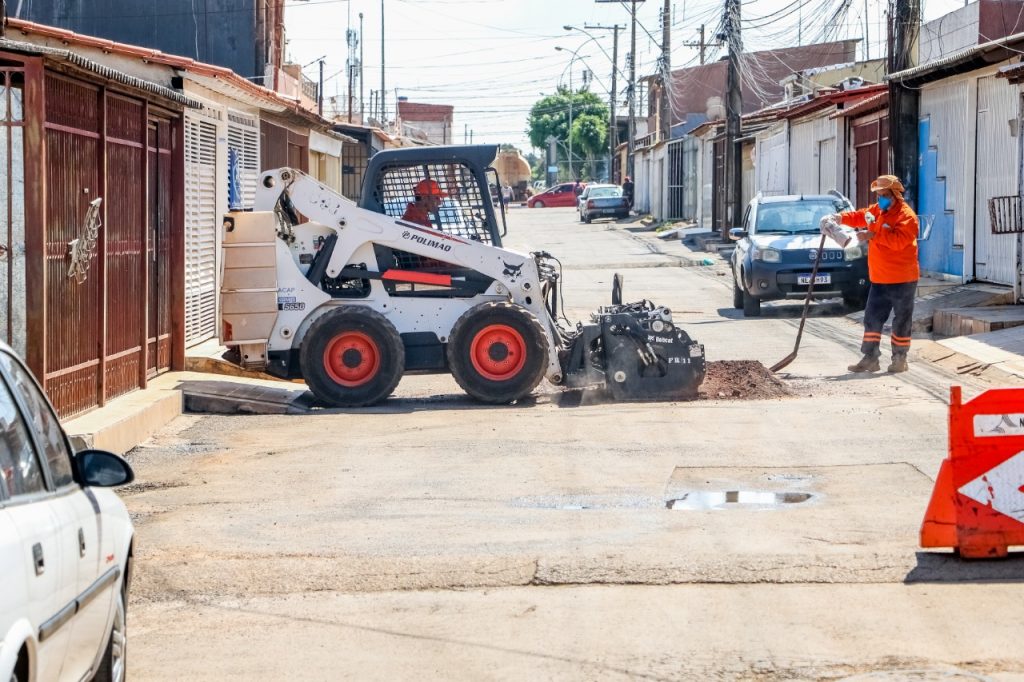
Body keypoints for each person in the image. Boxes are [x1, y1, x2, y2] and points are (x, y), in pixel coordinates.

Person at [835, 174, 920, 374]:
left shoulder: (906, 217)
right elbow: (860, 216)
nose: (880, 199)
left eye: (883, 195)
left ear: (895, 195)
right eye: (878, 195)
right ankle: (870, 358)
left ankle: (900, 359)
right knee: (872, 318)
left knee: (901, 320)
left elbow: (899, 242)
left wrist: (873, 235)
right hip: (880, 278)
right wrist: (839, 218)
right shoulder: (877, 211)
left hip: (902, 279)